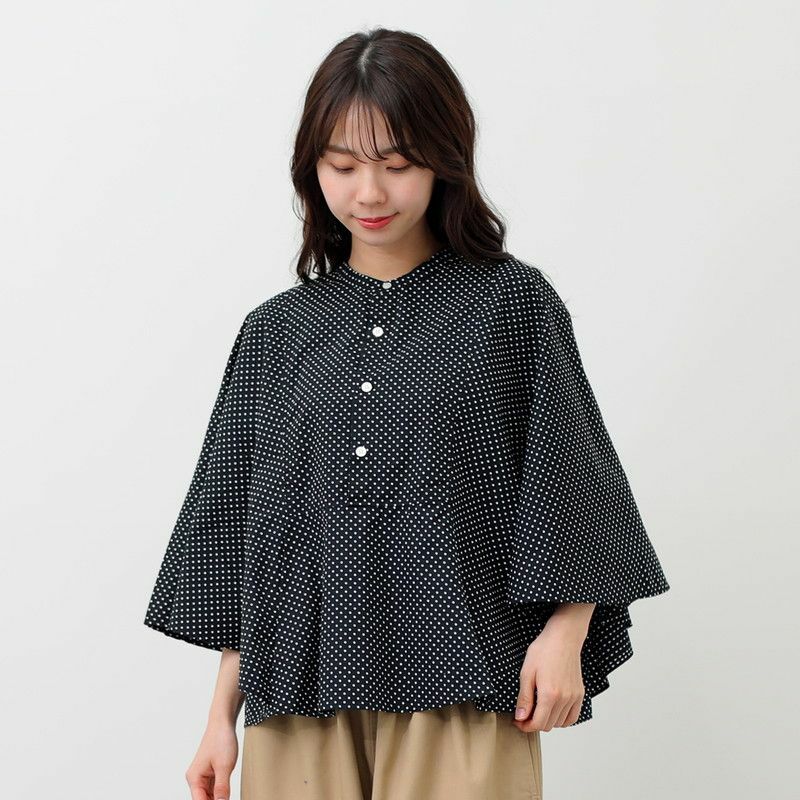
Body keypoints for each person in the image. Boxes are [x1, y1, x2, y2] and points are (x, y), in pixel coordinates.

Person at [143, 26, 670, 800]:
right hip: (299, 696)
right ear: (310, 168)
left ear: (444, 161)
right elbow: (250, 539)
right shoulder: (275, 334)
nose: (369, 193)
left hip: (466, 682)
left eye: (397, 164)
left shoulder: (511, 306)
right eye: (342, 165)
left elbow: (571, 479)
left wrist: (568, 628)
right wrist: (221, 717)